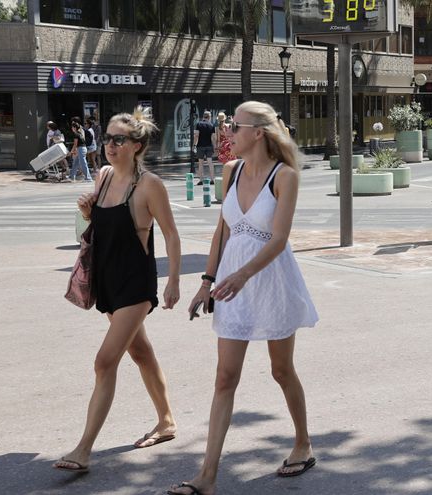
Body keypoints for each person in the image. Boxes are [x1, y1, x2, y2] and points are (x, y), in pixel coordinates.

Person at [168, 101, 319, 495]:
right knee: (224, 377)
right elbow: (223, 231)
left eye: (235, 126)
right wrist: (207, 280)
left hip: (270, 279)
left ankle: (302, 442)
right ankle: (207, 476)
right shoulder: (231, 172)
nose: (228, 133)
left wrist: (242, 275)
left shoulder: (284, 176)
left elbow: (280, 238)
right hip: (231, 281)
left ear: (259, 133)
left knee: (281, 370)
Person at [53, 109, 182, 473]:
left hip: (135, 285)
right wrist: (87, 209)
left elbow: (171, 234)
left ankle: (83, 449)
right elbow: (102, 226)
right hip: (107, 280)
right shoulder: (104, 176)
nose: (109, 145)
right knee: (141, 353)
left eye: (118, 140)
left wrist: (174, 280)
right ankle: (167, 420)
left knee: (104, 361)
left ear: (136, 146)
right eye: (107, 138)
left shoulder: (149, 185)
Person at [194, 110, 217, 185]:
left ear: (203, 116)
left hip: (200, 146)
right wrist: (215, 146)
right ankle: (212, 179)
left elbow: (196, 135)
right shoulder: (211, 125)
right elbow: (213, 137)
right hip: (209, 146)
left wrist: (194, 145)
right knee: (210, 162)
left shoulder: (198, 124)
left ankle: (201, 180)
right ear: (209, 117)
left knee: (201, 163)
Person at [69, 117, 93, 182]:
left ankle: (88, 178)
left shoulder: (76, 134)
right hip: (82, 148)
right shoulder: (80, 132)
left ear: (74, 128)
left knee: (83, 164)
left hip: (80, 149)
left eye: (72, 127)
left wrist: (71, 151)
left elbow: (75, 144)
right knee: (75, 163)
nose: (71, 128)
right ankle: (72, 176)